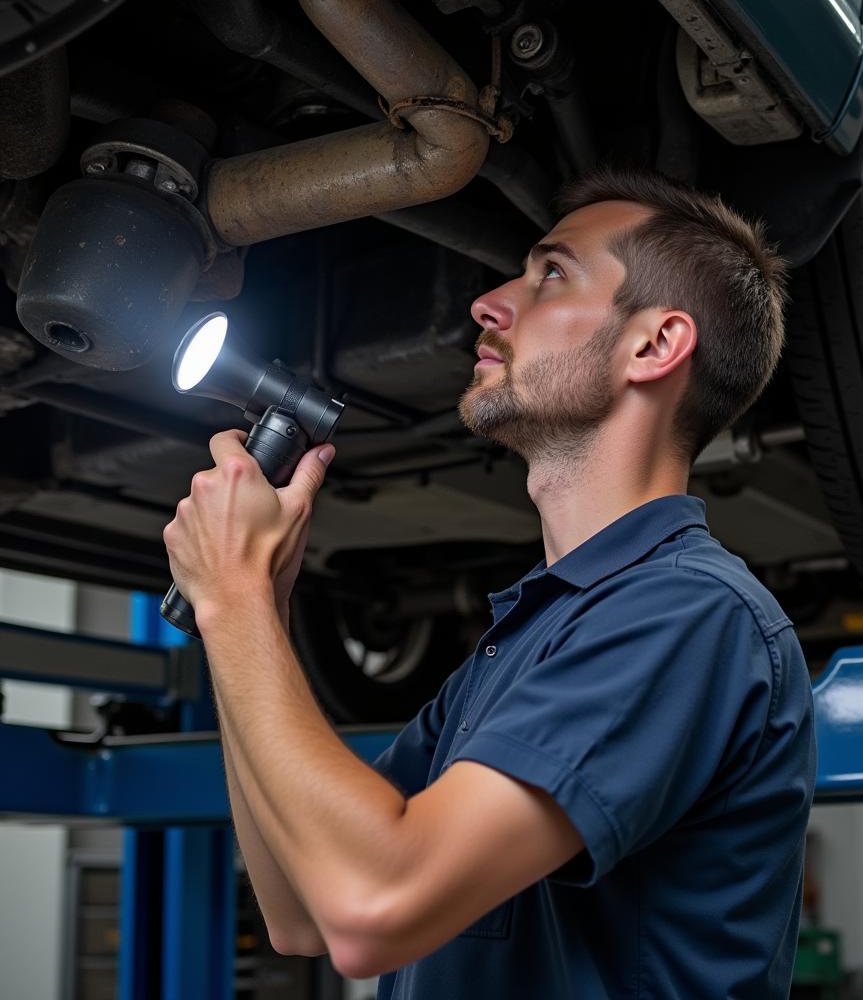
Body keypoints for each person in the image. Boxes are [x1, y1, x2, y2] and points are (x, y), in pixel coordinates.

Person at [163, 166, 817, 998]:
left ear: (654, 346)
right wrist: (257, 611)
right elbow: (302, 912)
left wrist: (236, 599)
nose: (490, 302)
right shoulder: (525, 644)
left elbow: (373, 907)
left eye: (552, 274)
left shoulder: (689, 615)